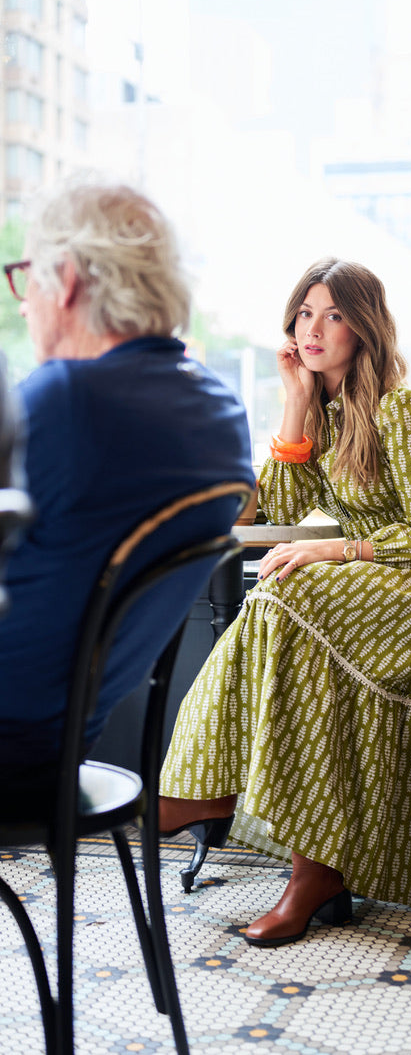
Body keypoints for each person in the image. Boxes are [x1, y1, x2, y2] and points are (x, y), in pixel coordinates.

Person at [159, 257, 411, 946]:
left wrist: (337, 549)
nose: (313, 329)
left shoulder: (403, 408)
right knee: (284, 605)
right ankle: (311, 869)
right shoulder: (324, 413)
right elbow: (281, 508)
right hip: (383, 585)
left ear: (364, 328)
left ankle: (207, 797)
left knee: (285, 596)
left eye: (334, 315)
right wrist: (295, 401)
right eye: (304, 314)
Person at [0, 178, 256, 808]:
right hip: (63, 745)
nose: (23, 305)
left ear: (66, 279)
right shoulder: (220, 411)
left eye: (25, 277)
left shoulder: (64, 401)